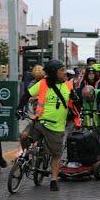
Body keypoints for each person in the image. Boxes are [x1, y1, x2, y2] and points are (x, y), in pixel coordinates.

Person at [20, 60, 80, 191]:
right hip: (40, 122)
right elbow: (27, 95)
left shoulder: (68, 86)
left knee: (56, 155)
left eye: (65, 70)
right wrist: (19, 108)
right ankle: (26, 156)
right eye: (62, 70)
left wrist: (75, 99)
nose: (65, 73)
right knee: (24, 136)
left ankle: (53, 179)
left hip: (56, 127)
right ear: (54, 73)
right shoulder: (42, 84)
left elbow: (75, 104)